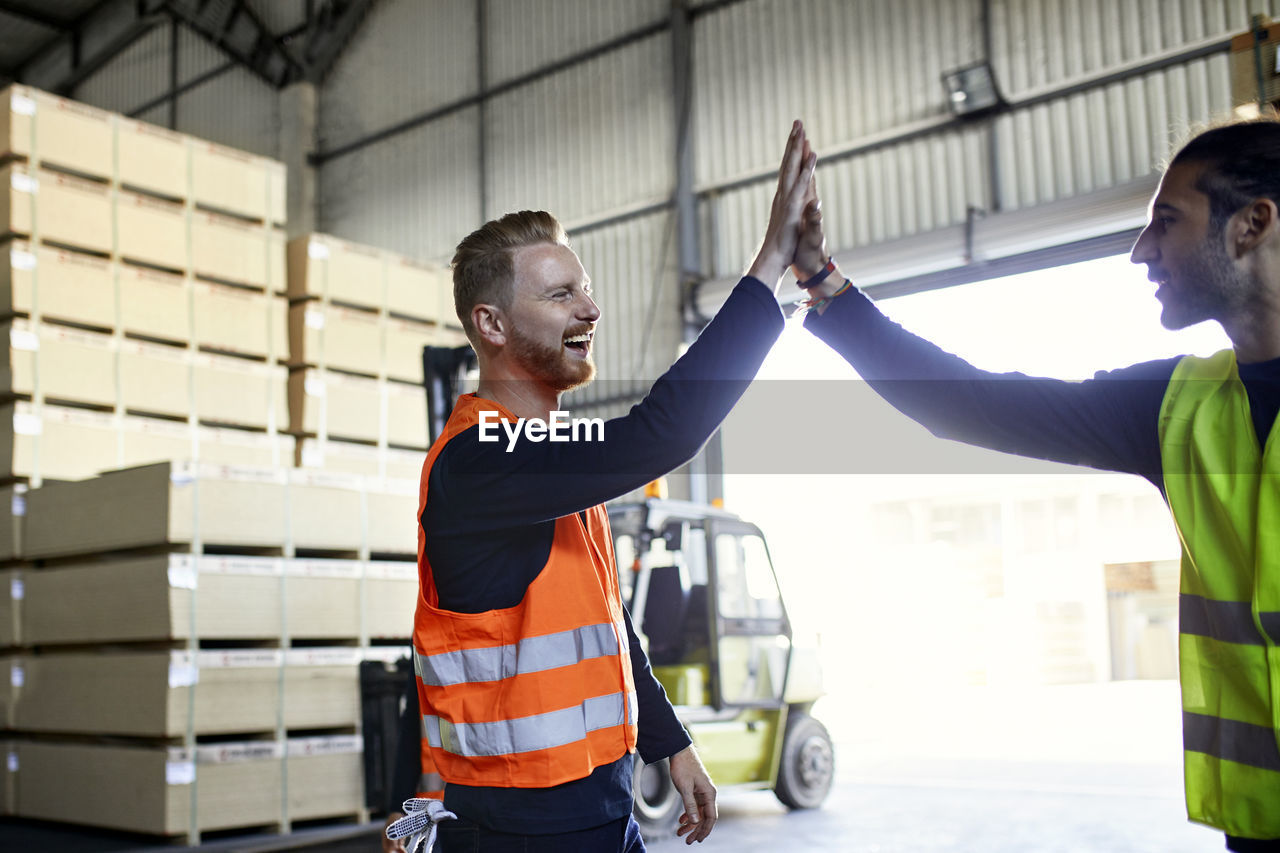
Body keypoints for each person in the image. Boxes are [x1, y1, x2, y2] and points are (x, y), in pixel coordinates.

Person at [792, 118, 1280, 851]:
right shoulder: (1183, 407)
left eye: (1166, 222)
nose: (1141, 251)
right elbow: (971, 402)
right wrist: (823, 283)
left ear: (1252, 225)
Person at [389, 121, 817, 853]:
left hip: (596, 805)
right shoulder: (479, 461)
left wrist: (669, 742)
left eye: (585, 289)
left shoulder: (551, 453)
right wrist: (769, 263)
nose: (590, 309)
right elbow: (662, 433)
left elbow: (604, 621)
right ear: (490, 323)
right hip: (519, 824)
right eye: (560, 295)